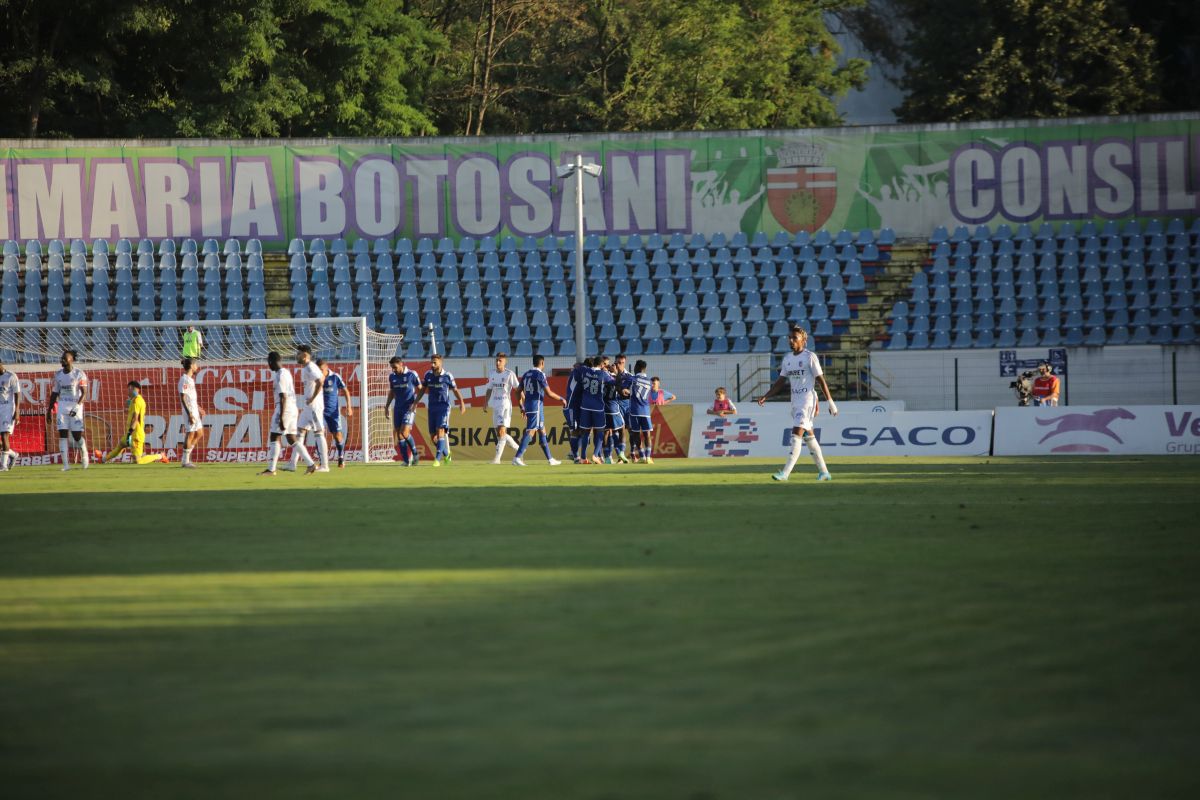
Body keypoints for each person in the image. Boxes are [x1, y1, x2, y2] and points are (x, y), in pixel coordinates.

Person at [755, 325, 838, 482]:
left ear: (803, 340)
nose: (791, 341)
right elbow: (780, 382)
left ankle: (785, 473)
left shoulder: (810, 357)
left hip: (807, 400)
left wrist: (830, 402)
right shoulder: (787, 359)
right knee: (809, 437)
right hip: (795, 401)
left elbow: (821, 380)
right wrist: (766, 396)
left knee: (796, 434)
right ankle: (824, 472)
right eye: (790, 338)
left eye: (795, 338)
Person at [260, 350, 312, 476]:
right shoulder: (286, 372)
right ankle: (310, 464)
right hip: (293, 408)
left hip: (284, 408)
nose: (268, 365)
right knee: (291, 438)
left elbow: (283, 396)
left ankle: (271, 469)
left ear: (271, 361)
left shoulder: (280, 375)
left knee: (274, 436)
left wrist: (282, 418)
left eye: (268, 362)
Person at [512, 354, 565, 466]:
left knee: (542, 430)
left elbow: (517, 391)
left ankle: (550, 459)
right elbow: (549, 393)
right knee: (531, 431)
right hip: (536, 406)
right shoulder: (540, 375)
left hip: (530, 405)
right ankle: (517, 457)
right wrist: (562, 399)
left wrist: (521, 406)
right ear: (542, 363)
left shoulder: (526, 374)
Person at [414, 353, 466, 467]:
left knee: (440, 431)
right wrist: (415, 402)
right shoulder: (428, 375)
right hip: (432, 408)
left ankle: (437, 460)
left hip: (444, 407)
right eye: (431, 362)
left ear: (440, 363)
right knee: (433, 437)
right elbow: (422, 390)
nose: (432, 365)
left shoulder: (447, 376)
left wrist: (462, 402)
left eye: (435, 363)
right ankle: (446, 454)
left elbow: (455, 390)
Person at [102, 381, 167, 465]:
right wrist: (128, 407)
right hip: (131, 433)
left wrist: (129, 433)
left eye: (128, 389)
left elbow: (135, 419)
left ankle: (160, 456)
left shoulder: (137, 401)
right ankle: (103, 459)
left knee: (137, 461)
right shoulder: (135, 400)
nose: (128, 392)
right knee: (121, 445)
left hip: (136, 434)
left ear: (133, 389)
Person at [46, 350, 90, 471]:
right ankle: (66, 465)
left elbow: (84, 393)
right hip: (62, 407)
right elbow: (54, 393)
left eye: (65, 358)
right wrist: (49, 410)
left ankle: (84, 452)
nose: (62, 360)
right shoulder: (58, 375)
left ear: (71, 360)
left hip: (76, 407)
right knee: (62, 435)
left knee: (77, 436)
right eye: (62, 358)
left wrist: (77, 407)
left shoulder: (79, 374)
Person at [294, 345, 328, 473]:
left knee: (319, 433)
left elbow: (321, 380)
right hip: (308, 406)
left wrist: (313, 398)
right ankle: (292, 463)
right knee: (299, 431)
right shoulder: (306, 367)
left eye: (298, 353)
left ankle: (325, 466)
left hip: (314, 405)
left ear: (304, 355)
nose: (296, 356)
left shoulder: (310, 367)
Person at [383, 355, 422, 466]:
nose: (393, 370)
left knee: (404, 432)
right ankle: (406, 461)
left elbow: (421, 389)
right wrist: (387, 406)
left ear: (401, 364)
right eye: (392, 368)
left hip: (409, 408)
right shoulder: (392, 377)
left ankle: (415, 454)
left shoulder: (412, 374)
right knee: (399, 435)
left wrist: (415, 403)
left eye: (395, 367)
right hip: (398, 408)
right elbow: (392, 392)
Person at [485, 352, 521, 464]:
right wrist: (485, 402)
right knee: (499, 434)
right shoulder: (492, 373)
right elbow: (489, 389)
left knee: (501, 432)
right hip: (495, 405)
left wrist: (523, 404)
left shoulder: (509, 374)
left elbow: (518, 389)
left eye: (500, 360)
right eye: (496, 360)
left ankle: (497, 459)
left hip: (505, 405)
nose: (497, 362)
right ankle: (519, 449)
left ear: (505, 362)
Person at [577, 356, 613, 464]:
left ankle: (583, 457)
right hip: (597, 407)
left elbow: (578, 368)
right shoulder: (603, 374)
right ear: (601, 365)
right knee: (600, 431)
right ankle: (595, 455)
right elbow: (613, 382)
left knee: (586, 432)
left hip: (585, 406)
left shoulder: (585, 371)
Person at [318, 359, 353, 468]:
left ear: (326, 367)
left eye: (321, 370)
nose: (320, 372)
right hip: (320, 412)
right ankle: (322, 461)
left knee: (337, 435)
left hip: (333, 412)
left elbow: (346, 391)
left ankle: (341, 457)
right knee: (319, 434)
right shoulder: (316, 378)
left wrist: (349, 406)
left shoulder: (335, 377)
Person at [626, 360, 654, 464]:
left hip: (635, 410)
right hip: (645, 411)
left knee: (636, 434)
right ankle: (648, 457)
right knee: (647, 434)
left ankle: (642, 456)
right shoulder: (649, 381)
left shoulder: (632, 379)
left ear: (637, 367)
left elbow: (624, 388)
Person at [602, 357, 629, 464]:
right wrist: (616, 373)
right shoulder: (611, 377)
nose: (609, 366)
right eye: (606, 364)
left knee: (606, 432)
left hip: (603, 408)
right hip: (613, 407)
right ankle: (621, 452)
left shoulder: (601, 375)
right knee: (622, 428)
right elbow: (619, 386)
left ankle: (607, 457)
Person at [178, 357, 203, 468]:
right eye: (196, 365)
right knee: (191, 433)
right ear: (192, 366)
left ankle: (186, 458)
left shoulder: (190, 379)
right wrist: (189, 414)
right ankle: (185, 461)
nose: (197, 367)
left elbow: (190, 397)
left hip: (194, 409)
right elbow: (183, 398)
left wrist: (198, 408)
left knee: (200, 433)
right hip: (189, 411)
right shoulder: (184, 379)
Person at [565, 359, 588, 463]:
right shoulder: (578, 372)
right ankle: (575, 457)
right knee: (575, 430)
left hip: (579, 405)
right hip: (572, 405)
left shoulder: (578, 371)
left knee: (580, 430)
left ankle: (573, 453)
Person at [0, 357, 20, 471]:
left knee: (4, 436)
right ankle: (13, 454)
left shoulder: (10, 376)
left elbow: (17, 394)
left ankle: (3, 466)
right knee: (1, 441)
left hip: (8, 408)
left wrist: (17, 411)